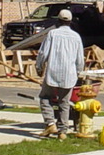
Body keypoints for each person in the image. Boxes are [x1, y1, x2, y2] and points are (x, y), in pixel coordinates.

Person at [35, 8, 85, 139]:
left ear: (58, 20)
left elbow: (43, 53)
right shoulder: (76, 37)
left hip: (53, 72)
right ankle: (63, 131)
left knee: (45, 98)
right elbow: (80, 59)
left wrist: (39, 66)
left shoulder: (52, 34)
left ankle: (50, 123)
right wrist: (78, 72)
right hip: (69, 75)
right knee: (64, 103)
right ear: (70, 22)